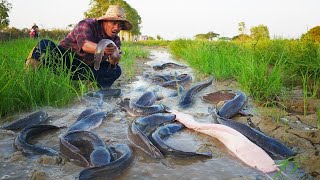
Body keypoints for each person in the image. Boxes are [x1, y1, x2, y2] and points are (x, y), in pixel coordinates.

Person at [25, 5, 132, 89]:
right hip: (66, 60)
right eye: (114, 23)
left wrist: (115, 59)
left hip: (86, 67)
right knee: (44, 45)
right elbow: (85, 45)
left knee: (116, 70)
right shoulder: (87, 24)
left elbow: (113, 63)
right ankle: (29, 80)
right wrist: (102, 49)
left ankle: (97, 91)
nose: (117, 28)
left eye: (120, 25)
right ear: (105, 21)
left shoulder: (116, 40)